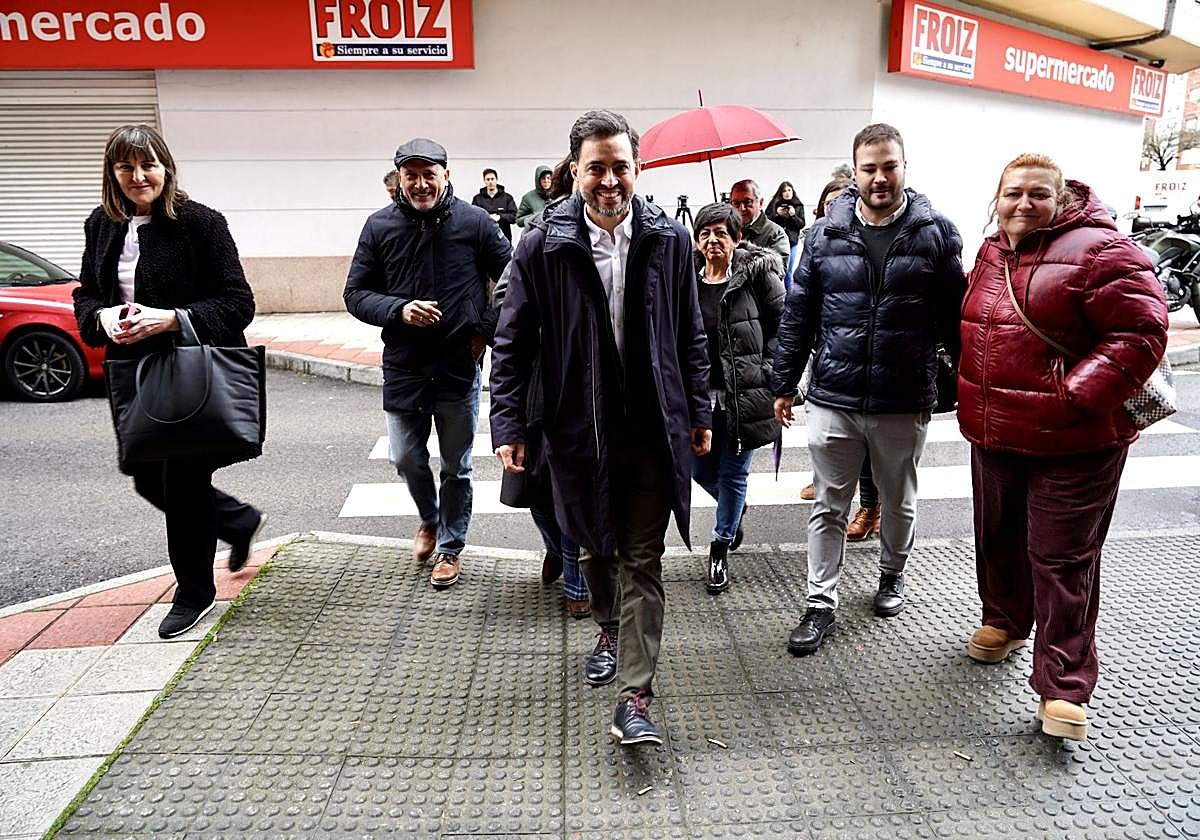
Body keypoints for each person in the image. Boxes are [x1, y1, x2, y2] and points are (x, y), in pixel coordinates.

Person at [490, 110, 711, 746]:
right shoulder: (542, 244)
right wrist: (509, 422)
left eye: (620, 167)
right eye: (596, 169)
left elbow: (690, 333)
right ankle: (610, 629)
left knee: (643, 556)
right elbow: (512, 342)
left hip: (651, 426)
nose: (609, 181)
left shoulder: (669, 240)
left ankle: (635, 697)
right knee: (593, 546)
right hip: (576, 426)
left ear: (638, 169)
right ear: (575, 171)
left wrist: (699, 410)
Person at [957, 153, 1168, 741]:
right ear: (997, 200)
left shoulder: (1102, 250)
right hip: (996, 433)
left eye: (1038, 194)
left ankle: (1063, 686)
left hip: (1076, 442)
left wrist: (1075, 396)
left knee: (1062, 561)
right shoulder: (992, 252)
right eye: (1013, 193)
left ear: (1062, 199)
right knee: (997, 537)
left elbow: (1142, 330)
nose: (1023, 204)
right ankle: (1005, 621)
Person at [771, 123, 965, 656]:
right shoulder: (822, 235)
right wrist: (783, 383)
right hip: (834, 394)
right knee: (829, 504)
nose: (879, 177)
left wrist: (966, 380)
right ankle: (819, 602)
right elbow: (799, 314)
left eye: (889, 166)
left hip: (903, 398)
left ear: (904, 167)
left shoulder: (937, 233)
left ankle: (892, 574)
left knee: (898, 500)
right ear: (855, 172)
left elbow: (956, 318)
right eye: (869, 168)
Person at [72, 124, 266, 639]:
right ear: (112, 173)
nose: (138, 176)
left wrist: (173, 318)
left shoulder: (200, 222)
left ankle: (194, 592)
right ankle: (236, 521)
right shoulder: (101, 224)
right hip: (133, 373)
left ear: (166, 168)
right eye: (126, 166)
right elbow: (86, 296)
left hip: (188, 372)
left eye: (148, 165)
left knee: (182, 484)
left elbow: (238, 303)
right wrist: (104, 319)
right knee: (145, 476)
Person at [345, 138, 511, 589]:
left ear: (446, 175)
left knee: (457, 466)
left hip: (458, 361)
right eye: (411, 176)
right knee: (405, 456)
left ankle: (451, 547)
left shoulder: (475, 222)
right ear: (399, 179)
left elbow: (514, 278)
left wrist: (484, 331)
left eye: (428, 174)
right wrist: (398, 309)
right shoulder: (379, 226)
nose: (420, 184)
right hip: (405, 363)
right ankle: (430, 518)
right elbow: (355, 293)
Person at [484, 156, 592, 618]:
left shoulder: (613, 238)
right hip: (540, 384)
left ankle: (578, 580)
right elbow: (504, 303)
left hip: (593, 385)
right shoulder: (536, 238)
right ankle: (558, 551)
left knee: (576, 489)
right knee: (535, 488)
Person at [690, 202, 785, 593]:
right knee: (696, 468)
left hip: (743, 393)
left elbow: (785, 327)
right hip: (698, 398)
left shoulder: (757, 276)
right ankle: (734, 506)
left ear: (737, 237)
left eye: (721, 233)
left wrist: (767, 372)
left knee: (733, 473)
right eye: (705, 233)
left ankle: (720, 545)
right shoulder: (686, 280)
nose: (713, 240)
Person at [729, 179, 790, 265]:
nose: (741, 208)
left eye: (747, 202)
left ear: (760, 203)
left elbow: (778, 268)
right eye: (736, 203)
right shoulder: (726, 229)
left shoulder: (776, 234)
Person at [766, 181, 805, 285]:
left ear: (793, 191)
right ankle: (777, 292)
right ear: (781, 193)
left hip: (792, 242)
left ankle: (789, 294)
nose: (787, 193)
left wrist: (793, 216)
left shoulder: (798, 205)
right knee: (774, 271)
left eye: (789, 190)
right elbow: (766, 221)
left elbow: (801, 224)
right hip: (776, 241)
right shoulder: (774, 204)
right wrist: (777, 214)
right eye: (784, 191)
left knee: (788, 272)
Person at [472, 167, 519, 242]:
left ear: (496, 180)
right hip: (484, 239)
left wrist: (500, 216)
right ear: (484, 181)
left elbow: (515, 217)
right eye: (488, 179)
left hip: (503, 238)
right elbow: (473, 218)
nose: (490, 182)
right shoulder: (477, 199)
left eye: (492, 179)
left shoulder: (507, 198)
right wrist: (487, 217)